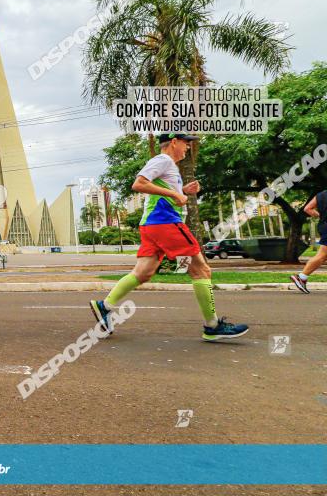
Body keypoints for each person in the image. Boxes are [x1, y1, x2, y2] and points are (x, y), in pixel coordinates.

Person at [89, 133, 249, 341]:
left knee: (143, 272)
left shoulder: (169, 167)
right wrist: (175, 194)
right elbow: (139, 184)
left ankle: (105, 305)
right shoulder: (163, 160)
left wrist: (182, 190)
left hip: (152, 225)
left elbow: (157, 192)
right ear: (174, 142)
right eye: (186, 143)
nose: (189, 147)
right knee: (201, 269)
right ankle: (212, 326)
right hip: (165, 223)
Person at [290, 189, 327, 293]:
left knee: (323, 255)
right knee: (322, 255)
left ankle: (302, 277)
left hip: (323, 226)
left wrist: (320, 215)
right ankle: (301, 277)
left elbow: (307, 209)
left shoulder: (321, 195)